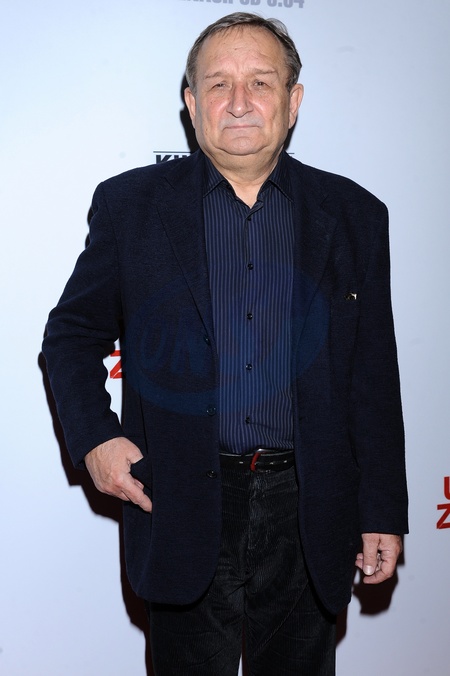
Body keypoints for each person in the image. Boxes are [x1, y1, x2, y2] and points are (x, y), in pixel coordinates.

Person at [43, 12, 408, 675]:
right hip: (179, 497)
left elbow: (373, 375)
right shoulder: (131, 207)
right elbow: (71, 334)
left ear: (294, 101)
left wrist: (381, 508)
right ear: (191, 103)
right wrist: (95, 437)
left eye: (261, 82)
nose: (239, 102)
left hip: (310, 507)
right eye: (218, 84)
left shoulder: (355, 215)